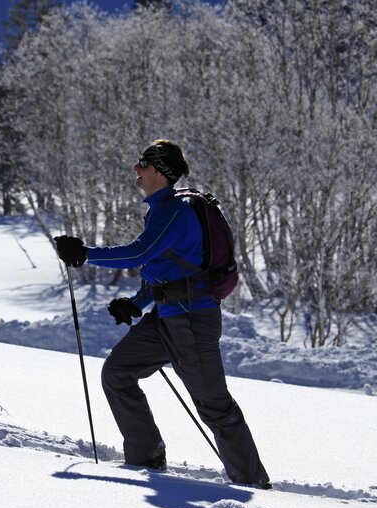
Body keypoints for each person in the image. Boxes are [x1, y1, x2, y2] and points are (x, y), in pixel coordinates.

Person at [54, 139, 270, 488]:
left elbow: (141, 253)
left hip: (192, 321)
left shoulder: (174, 210)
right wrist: (137, 304)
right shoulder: (162, 209)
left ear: (159, 171)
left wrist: (85, 254)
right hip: (167, 316)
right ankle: (147, 458)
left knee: (214, 406)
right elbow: (165, 266)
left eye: (142, 163)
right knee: (118, 372)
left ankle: (254, 485)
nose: (135, 170)